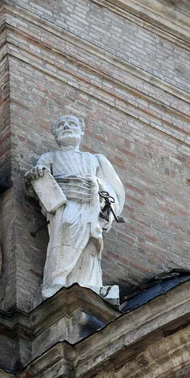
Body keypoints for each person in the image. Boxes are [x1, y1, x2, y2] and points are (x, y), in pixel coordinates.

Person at [25, 115, 125, 299]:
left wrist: (98, 189)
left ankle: (89, 284)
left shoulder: (94, 159)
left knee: (90, 245)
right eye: (61, 125)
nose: (66, 127)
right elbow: (35, 185)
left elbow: (112, 190)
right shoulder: (49, 157)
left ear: (82, 131)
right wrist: (36, 173)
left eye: (72, 124)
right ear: (55, 135)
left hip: (90, 205)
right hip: (64, 205)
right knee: (63, 235)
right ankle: (58, 280)